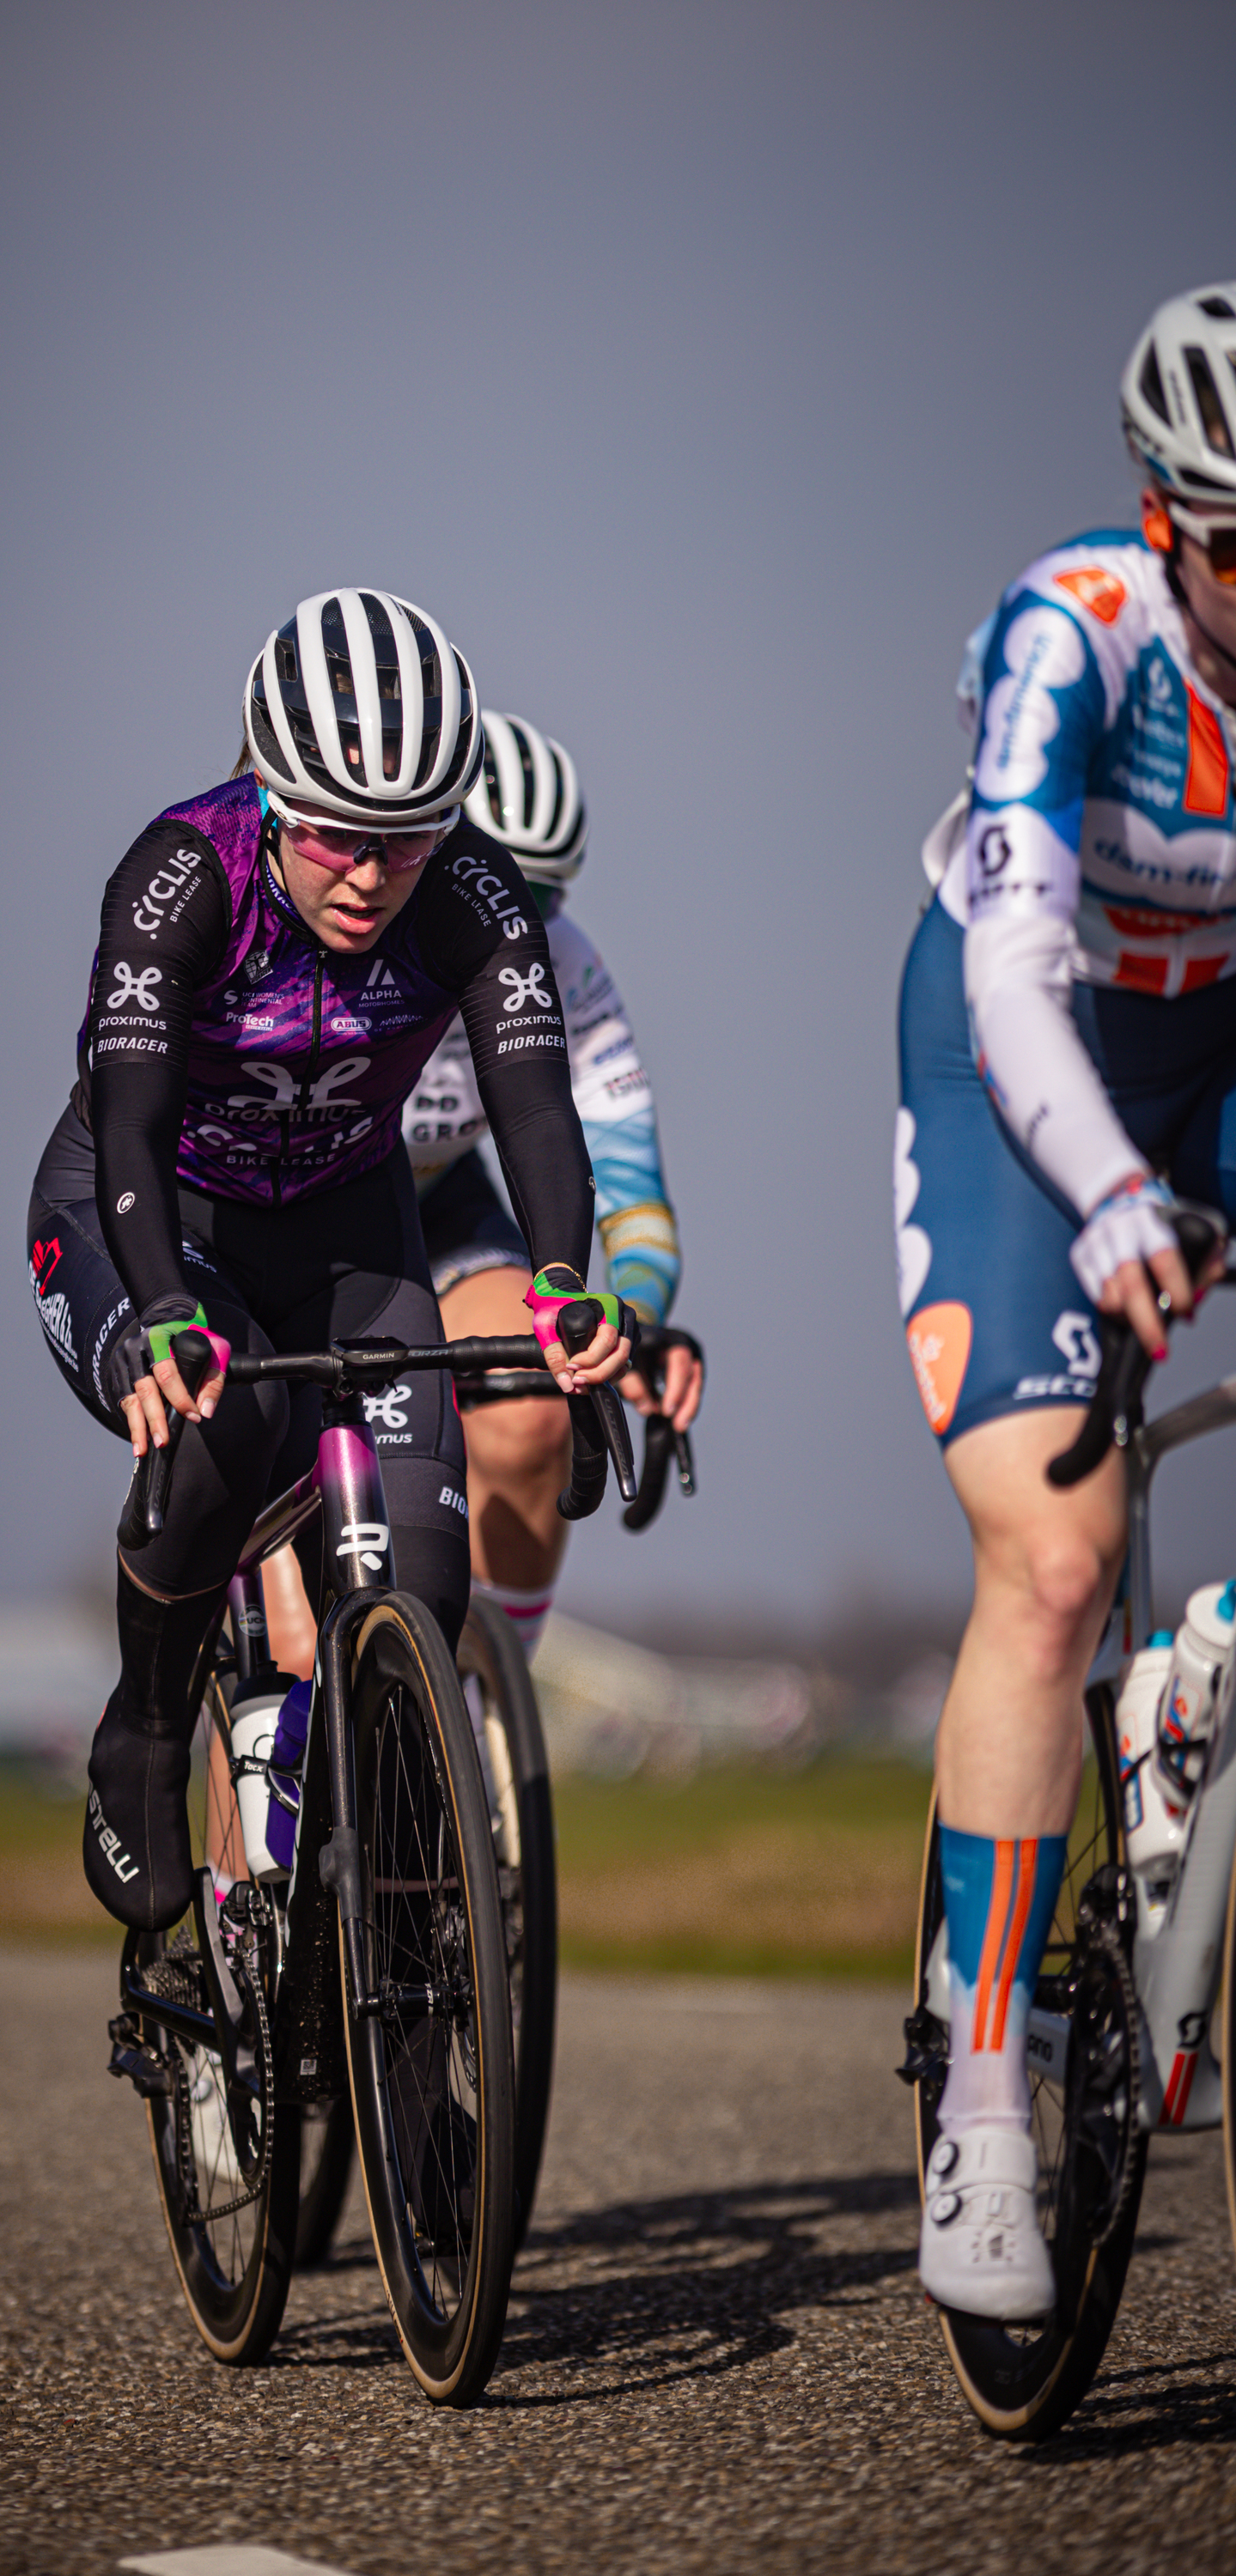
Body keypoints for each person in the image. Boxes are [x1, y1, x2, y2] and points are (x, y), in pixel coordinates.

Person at [28, 589, 633, 1931]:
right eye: (338, 836)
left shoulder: (472, 894)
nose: (370, 874)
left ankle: (414, 2005)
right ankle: (142, 1735)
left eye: (406, 840)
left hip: (348, 1222)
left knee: (418, 1569)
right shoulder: (181, 875)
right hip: (150, 1215)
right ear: (266, 789)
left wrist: (562, 1281)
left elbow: (536, 1106)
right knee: (226, 1420)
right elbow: (126, 1118)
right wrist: (163, 1311)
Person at [897, 284, 1236, 2318]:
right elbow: (1017, 969)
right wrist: (1113, 1198)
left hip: (1219, 1040)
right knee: (1046, 1551)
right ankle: (987, 2098)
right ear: (1163, 519)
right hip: (1022, 1046)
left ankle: (1197, 1670)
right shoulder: (1075, 634)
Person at [257, 714, 703, 1679]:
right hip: (285, 1204)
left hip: (434, 1199)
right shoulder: (343, 924)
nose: (513, 917)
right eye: (494, 878)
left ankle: (483, 1705)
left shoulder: (567, 967)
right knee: (294, 1657)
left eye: (542, 895)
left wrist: (630, 1318)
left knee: (539, 1403)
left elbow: (634, 1202)